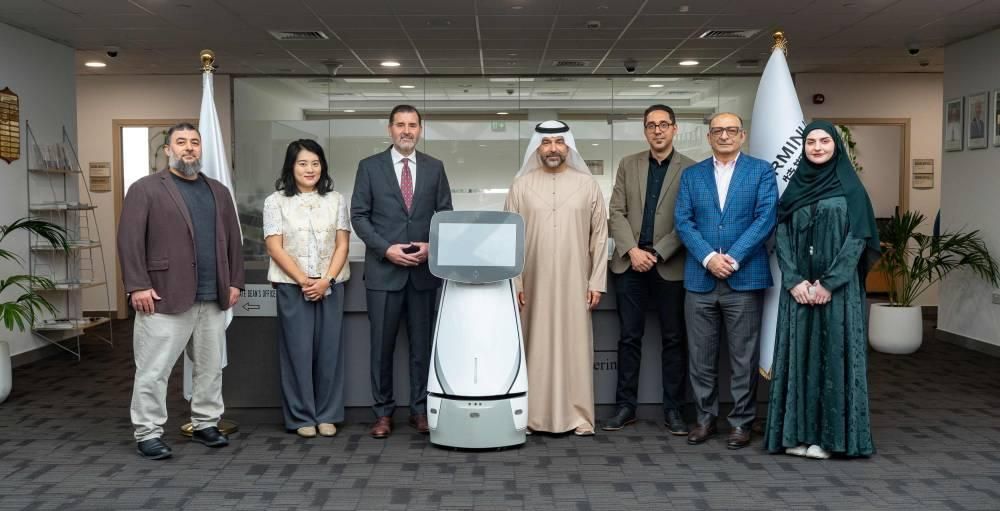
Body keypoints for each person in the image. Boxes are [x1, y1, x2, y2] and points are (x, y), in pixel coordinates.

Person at [118, 122, 244, 460]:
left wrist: (234, 281)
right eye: (181, 142)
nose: (189, 147)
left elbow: (233, 240)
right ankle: (148, 432)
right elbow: (129, 240)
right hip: (163, 296)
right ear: (168, 150)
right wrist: (138, 285)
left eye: (195, 142)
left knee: (210, 368)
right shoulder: (145, 189)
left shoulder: (218, 191)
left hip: (212, 297)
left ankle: (206, 423)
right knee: (154, 370)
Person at [764, 120, 880, 459]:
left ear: (836, 146)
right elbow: (781, 236)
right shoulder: (794, 188)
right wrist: (794, 280)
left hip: (838, 293)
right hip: (799, 291)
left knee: (833, 359)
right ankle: (797, 436)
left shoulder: (852, 190)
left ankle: (830, 440)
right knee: (799, 359)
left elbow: (858, 238)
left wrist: (829, 283)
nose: (817, 147)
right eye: (811, 141)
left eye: (824, 141)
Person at [674, 112, 778, 449]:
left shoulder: (761, 171)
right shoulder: (692, 175)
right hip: (700, 279)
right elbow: (683, 221)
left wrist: (732, 258)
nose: (724, 135)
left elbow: (765, 218)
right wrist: (709, 258)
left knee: (743, 359)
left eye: (731, 130)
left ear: (742, 135)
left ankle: (741, 423)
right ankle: (705, 420)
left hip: (743, 278)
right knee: (700, 358)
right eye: (717, 130)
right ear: (708, 137)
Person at [350, 105, 453, 439]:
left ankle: (420, 410)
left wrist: (431, 246)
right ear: (389, 129)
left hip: (423, 275)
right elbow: (359, 216)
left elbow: (445, 215)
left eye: (412, 125)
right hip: (383, 273)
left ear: (420, 129)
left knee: (422, 348)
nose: (406, 131)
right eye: (400, 125)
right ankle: (382, 413)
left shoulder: (435, 167)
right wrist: (386, 249)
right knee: (381, 348)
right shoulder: (369, 167)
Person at [503, 120, 608, 436]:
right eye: (546, 142)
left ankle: (579, 417)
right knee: (533, 347)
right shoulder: (521, 186)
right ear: (537, 147)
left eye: (559, 142)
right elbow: (509, 238)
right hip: (531, 284)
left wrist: (596, 282)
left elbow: (599, 237)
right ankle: (530, 416)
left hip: (576, 282)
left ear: (568, 147)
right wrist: (515, 283)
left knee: (575, 348)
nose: (553, 148)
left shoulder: (587, 185)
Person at [604, 105, 694, 434]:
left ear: (674, 129)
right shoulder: (628, 164)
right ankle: (625, 407)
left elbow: (690, 219)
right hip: (629, 264)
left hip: (670, 264)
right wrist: (632, 250)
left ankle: (674, 409)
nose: (657, 130)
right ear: (645, 130)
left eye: (663, 125)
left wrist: (657, 252)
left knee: (674, 339)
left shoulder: (692, 169)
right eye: (651, 125)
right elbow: (616, 212)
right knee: (629, 338)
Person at [263, 139, 351, 439]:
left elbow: (342, 244)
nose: (310, 169)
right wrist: (304, 280)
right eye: (302, 163)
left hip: (330, 285)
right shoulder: (275, 201)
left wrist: (326, 280)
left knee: (329, 352)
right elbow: (274, 246)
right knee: (297, 352)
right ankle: (301, 416)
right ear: (291, 167)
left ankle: (327, 414)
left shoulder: (336, 200)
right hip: (292, 286)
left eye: (315, 163)